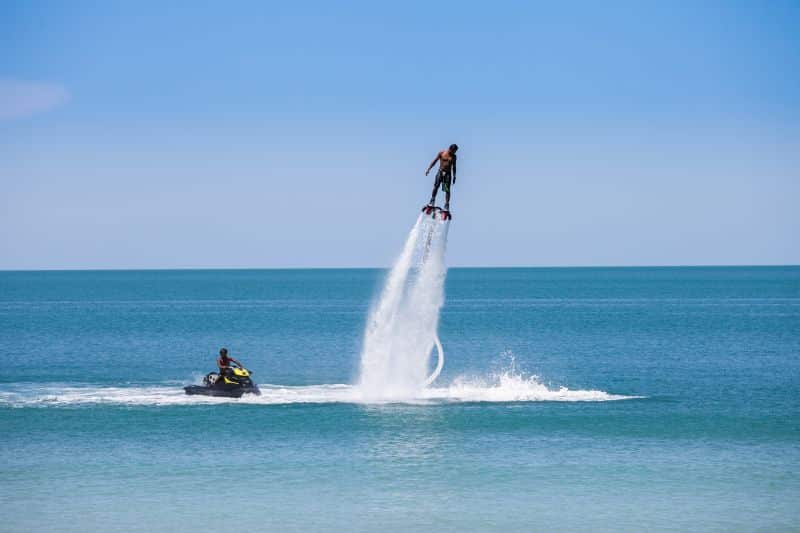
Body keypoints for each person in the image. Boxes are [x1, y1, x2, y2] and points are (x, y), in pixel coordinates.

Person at [425, 144, 458, 211]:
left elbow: (454, 167)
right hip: (440, 172)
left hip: (447, 175)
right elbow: (434, 161)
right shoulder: (442, 153)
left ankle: (446, 205)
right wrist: (429, 169)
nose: (455, 153)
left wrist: (454, 176)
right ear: (451, 149)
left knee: (446, 190)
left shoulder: (454, 157)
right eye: (454, 151)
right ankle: (432, 200)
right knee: (436, 186)